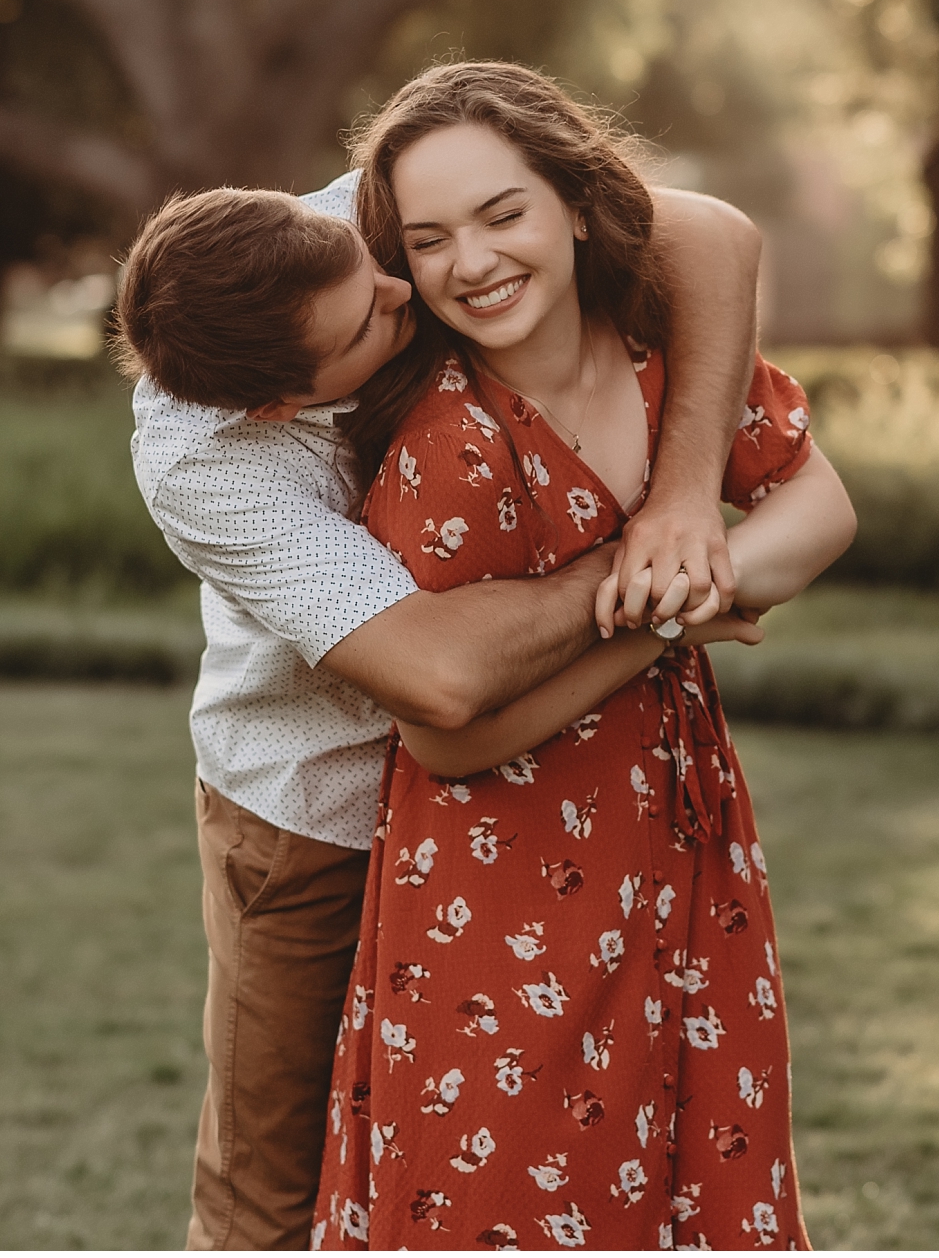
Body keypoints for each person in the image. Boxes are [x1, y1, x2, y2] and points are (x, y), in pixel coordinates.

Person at [115, 129, 769, 1249]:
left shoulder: (356, 227)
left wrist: (682, 500)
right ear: (280, 404)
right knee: (272, 1188)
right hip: (314, 813)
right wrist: (645, 587)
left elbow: (710, 232)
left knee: (499, 1145)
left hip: (507, 803)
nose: (401, 289)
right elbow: (440, 675)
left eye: (372, 264)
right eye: (364, 320)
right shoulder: (208, 464)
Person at [311, 63, 858, 1251]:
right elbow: (445, 737)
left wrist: (704, 551)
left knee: (696, 1189)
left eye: (502, 213)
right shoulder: (448, 451)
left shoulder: (668, 362)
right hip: (501, 900)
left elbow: (819, 508)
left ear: (574, 203)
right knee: (513, 1204)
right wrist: (660, 615)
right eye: (431, 237)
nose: (472, 260)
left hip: (679, 850)